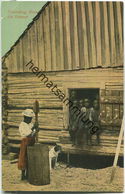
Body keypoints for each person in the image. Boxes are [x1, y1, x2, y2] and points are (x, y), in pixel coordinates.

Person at [18, 109, 39, 180]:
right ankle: (23, 175)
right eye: (30, 118)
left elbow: (33, 134)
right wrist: (33, 128)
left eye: (31, 118)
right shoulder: (22, 125)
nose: (31, 120)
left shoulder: (30, 124)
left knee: (30, 158)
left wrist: (36, 129)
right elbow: (27, 134)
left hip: (31, 142)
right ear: (25, 117)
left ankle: (28, 174)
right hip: (25, 142)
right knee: (24, 157)